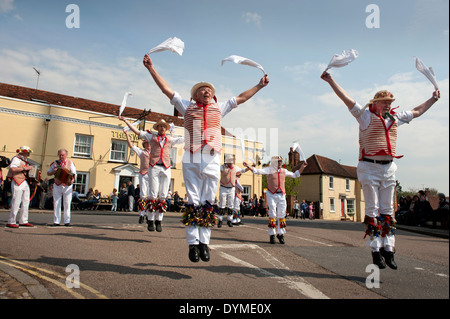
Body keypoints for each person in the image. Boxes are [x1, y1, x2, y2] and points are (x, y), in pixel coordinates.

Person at [143, 53, 269, 262]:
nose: (207, 90)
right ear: (195, 95)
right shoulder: (186, 106)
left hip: (212, 157)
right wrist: (151, 69)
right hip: (192, 156)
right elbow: (166, 90)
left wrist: (259, 86)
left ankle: (204, 243)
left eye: (210, 89)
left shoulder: (219, 108)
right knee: (193, 199)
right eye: (203, 89)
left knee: (209, 200)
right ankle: (193, 244)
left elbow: (241, 97)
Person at [321, 70, 440, 270]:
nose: (388, 105)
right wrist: (331, 80)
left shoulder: (395, 118)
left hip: (388, 168)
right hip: (369, 167)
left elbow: (417, 111)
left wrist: (433, 100)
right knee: (373, 209)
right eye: (384, 102)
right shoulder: (365, 116)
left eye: (390, 102)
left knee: (388, 211)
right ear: (374, 103)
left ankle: (389, 249)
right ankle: (376, 251)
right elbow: (347, 100)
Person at [121, 117, 184, 232]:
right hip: (154, 166)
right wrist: (126, 122)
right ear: (157, 128)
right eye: (160, 126)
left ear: (166, 129)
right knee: (152, 194)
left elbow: (184, 139)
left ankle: (159, 220)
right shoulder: (152, 137)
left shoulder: (170, 139)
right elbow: (138, 132)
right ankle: (150, 220)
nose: (162, 128)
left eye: (164, 127)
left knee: (163, 194)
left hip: (166, 167)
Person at [244, 156, 307, 244]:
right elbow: (256, 171)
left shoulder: (284, 171)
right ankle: (272, 234)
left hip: (281, 194)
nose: (280, 163)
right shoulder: (268, 170)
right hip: (271, 194)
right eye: (278, 161)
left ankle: (280, 234)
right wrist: (248, 166)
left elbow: (295, 175)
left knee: (282, 214)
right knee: (272, 213)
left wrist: (302, 167)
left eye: (281, 161)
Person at [123, 129, 151, 223]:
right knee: (143, 195)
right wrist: (127, 134)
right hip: (143, 174)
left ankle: (149, 214)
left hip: (152, 175)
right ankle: (141, 214)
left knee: (151, 195)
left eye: (149, 143)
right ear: (145, 145)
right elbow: (131, 145)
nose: (149, 145)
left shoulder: (155, 152)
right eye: (147, 143)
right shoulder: (141, 152)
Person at [6, 146, 34, 228]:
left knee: (26, 201)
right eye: (27, 152)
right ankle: (11, 221)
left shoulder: (24, 160)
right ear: (23, 152)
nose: (29, 153)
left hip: (24, 180)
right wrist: (25, 168)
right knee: (16, 201)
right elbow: (13, 169)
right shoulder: (16, 159)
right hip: (16, 180)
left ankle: (23, 220)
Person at [47, 148, 77, 226]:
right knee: (56, 203)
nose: (61, 157)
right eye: (60, 155)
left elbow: (74, 173)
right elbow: (48, 173)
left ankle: (67, 221)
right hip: (57, 184)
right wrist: (53, 171)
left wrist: (72, 180)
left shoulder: (70, 163)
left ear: (66, 155)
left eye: (63, 155)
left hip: (67, 185)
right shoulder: (55, 163)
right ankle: (56, 221)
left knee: (67, 203)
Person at [218, 155, 248, 227]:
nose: (231, 161)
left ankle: (229, 220)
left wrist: (249, 167)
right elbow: (215, 169)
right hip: (223, 188)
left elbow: (242, 170)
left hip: (231, 188)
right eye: (230, 160)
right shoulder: (222, 167)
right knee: (222, 204)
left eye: (232, 160)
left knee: (231, 205)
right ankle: (220, 220)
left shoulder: (235, 167)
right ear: (226, 161)